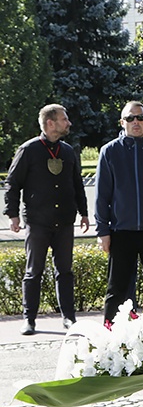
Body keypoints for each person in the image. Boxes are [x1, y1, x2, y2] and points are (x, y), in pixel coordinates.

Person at [4, 104, 89, 335]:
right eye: (64, 119)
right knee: (34, 272)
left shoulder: (68, 151)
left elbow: (77, 184)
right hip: (38, 221)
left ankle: (69, 318)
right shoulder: (28, 150)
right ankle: (29, 319)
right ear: (50, 123)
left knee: (66, 271)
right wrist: (12, 214)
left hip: (64, 221)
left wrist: (84, 212)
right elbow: (12, 183)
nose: (68, 123)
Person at [95, 101, 143, 325]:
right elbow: (102, 195)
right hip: (122, 231)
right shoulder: (110, 151)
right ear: (122, 122)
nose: (135, 122)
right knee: (117, 289)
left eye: (140, 118)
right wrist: (103, 231)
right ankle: (111, 338)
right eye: (130, 118)